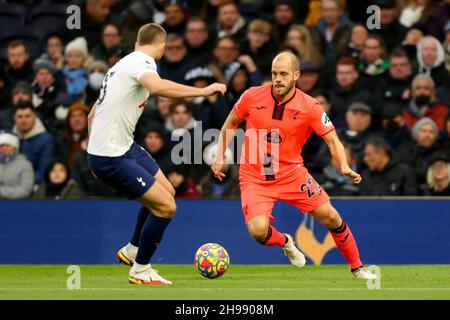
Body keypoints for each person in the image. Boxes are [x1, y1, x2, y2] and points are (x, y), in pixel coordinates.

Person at [211, 51, 376, 279]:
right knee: (259, 232)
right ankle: (286, 241)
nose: (278, 79)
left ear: (296, 75)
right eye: (274, 73)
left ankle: (357, 267)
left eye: (283, 74)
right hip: (255, 176)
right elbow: (230, 123)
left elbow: (332, 139)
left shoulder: (310, 107)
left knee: (331, 217)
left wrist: (344, 165)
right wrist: (221, 154)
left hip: (291, 174)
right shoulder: (251, 96)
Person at [87, 23, 226, 285]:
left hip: (121, 147)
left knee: (167, 191)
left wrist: (91, 151)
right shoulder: (143, 62)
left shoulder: (119, 66)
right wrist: (203, 91)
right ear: (161, 47)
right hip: (111, 155)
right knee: (166, 207)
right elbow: (158, 87)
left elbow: (92, 114)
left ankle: (132, 250)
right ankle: (141, 269)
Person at [0, 132, 34, 199]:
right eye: (1, 146)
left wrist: (1, 191)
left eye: (7, 145)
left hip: (16, 204)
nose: (4, 148)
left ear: (15, 148)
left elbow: (25, 190)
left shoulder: (25, 165)